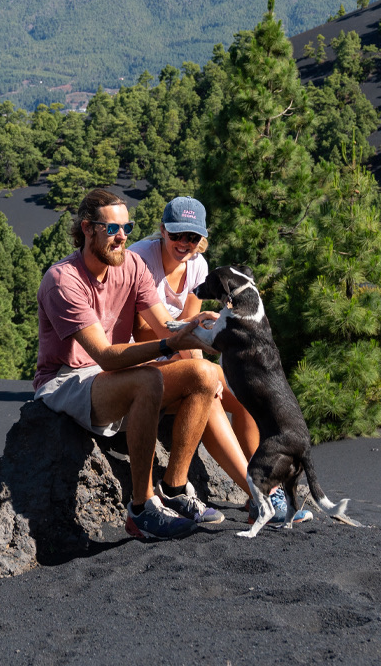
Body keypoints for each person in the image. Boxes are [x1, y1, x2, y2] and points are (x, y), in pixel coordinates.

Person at [33, 188, 225, 540]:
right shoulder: (63, 280)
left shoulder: (132, 266)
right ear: (88, 228)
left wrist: (201, 327)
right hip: (68, 379)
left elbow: (166, 326)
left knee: (206, 375)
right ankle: (142, 509)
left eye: (128, 228)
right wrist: (170, 343)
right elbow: (103, 355)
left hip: (113, 374)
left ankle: (177, 487)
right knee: (149, 380)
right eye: (112, 229)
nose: (122, 237)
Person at [129, 197, 305, 525]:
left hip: (174, 348)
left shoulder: (197, 264)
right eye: (177, 235)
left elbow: (187, 322)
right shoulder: (139, 260)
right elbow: (144, 331)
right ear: (163, 230)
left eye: (193, 237)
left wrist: (201, 352)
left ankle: (267, 486)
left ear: (202, 238)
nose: (184, 243)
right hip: (140, 356)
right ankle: (259, 496)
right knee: (208, 387)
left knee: (242, 394)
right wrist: (202, 363)